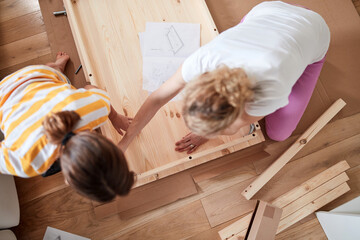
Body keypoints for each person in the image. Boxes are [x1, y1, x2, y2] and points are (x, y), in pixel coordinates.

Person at [118, 1, 330, 154]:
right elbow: (157, 97)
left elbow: (237, 126)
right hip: (267, 11)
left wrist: (206, 134)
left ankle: (305, 35)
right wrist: (125, 142)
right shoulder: (202, 61)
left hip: (314, 30)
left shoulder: (270, 91)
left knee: (279, 134)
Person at [0, 52, 134, 202]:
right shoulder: (25, 161)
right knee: (43, 168)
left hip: (34, 74)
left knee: (58, 76)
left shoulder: (95, 109)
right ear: (68, 180)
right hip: (4, 94)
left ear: (109, 141)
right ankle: (57, 66)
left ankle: (56, 66)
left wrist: (115, 117)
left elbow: (90, 87)